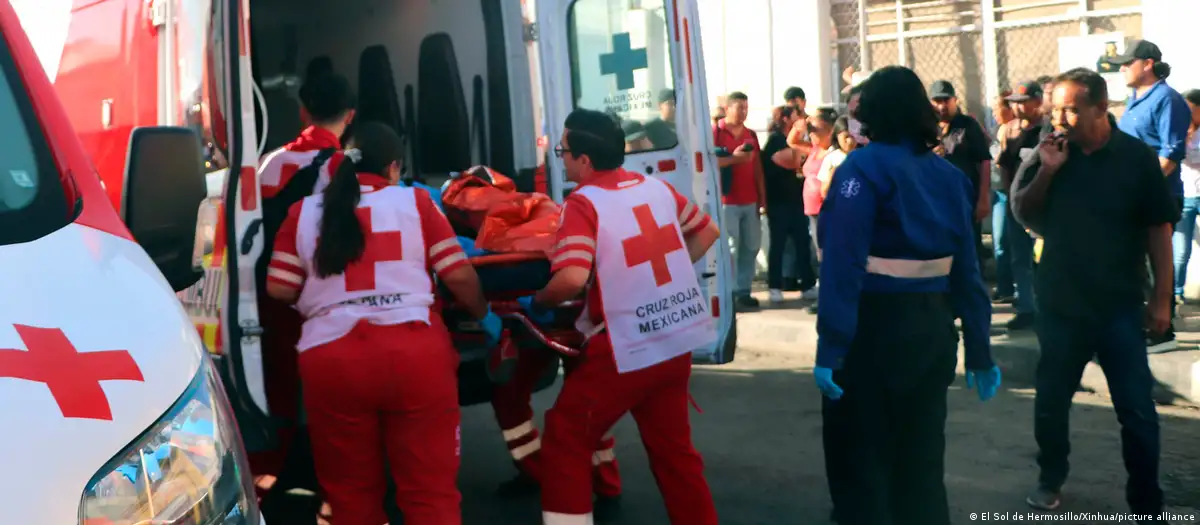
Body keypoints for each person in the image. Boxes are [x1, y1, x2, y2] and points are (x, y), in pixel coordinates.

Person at [265, 122, 504, 525]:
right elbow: (458, 277)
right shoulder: (416, 204)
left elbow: (279, 288)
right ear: (393, 167)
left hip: (333, 361)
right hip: (415, 357)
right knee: (430, 495)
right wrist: (486, 316)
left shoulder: (304, 212)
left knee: (351, 498)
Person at [814, 65, 1000, 525]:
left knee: (860, 463)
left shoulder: (861, 168)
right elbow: (968, 273)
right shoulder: (948, 175)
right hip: (932, 333)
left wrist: (830, 347)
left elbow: (843, 266)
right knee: (920, 459)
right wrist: (979, 350)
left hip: (872, 333)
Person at [528, 108, 722, 525]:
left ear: (583, 159)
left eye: (563, 151)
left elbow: (572, 277)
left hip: (624, 347)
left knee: (565, 439)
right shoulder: (656, 187)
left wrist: (540, 299)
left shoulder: (583, 204)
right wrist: (657, 283)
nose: (561, 159)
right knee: (675, 453)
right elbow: (707, 231)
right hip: (674, 340)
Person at [1010, 68, 1175, 524]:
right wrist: (1047, 169)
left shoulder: (1136, 158)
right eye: (1055, 108)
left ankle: (1146, 500)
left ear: (1102, 109)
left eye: (1071, 109)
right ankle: (1051, 476)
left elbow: (1158, 229)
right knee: (1051, 401)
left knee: (1137, 410)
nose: (1059, 118)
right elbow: (1022, 212)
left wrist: (1162, 299)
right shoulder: (1050, 150)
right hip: (1062, 303)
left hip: (1119, 303)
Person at [1110, 39, 1192, 351]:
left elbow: (1170, 155)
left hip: (1157, 198)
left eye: (1127, 63)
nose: (1122, 68)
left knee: (1160, 261)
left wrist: (1140, 188)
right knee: (1136, 263)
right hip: (1132, 198)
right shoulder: (1134, 99)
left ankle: (1163, 330)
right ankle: (1144, 322)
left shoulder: (1167, 99)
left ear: (1147, 64)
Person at [994, 81, 1046, 331]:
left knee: (1045, 258)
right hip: (1017, 204)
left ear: (1038, 101)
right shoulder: (1011, 130)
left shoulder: (1047, 130)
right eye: (1014, 101)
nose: (1017, 106)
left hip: (1042, 206)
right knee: (1019, 258)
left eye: (1023, 101)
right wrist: (1010, 195)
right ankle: (1026, 308)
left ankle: (1047, 306)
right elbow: (1003, 164)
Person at [715, 92, 766, 310]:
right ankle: (731, 291)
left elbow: (757, 169)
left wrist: (762, 198)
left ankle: (744, 290)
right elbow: (708, 162)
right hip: (726, 201)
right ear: (727, 109)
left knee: (751, 245)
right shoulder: (714, 132)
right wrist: (734, 159)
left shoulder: (750, 135)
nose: (744, 112)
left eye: (746, 108)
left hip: (750, 200)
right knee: (731, 248)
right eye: (740, 108)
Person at [930, 80, 993, 258]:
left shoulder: (968, 125)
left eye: (946, 100)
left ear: (955, 100)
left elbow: (984, 161)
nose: (942, 105)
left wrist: (983, 199)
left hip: (965, 198)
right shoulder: (927, 127)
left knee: (969, 249)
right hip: (936, 199)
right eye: (937, 101)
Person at [762, 105, 818, 304]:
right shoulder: (775, 141)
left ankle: (808, 285)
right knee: (778, 245)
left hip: (797, 201)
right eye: (797, 116)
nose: (802, 119)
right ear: (786, 119)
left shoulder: (799, 141)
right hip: (778, 202)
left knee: (803, 242)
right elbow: (792, 160)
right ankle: (775, 286)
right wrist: (799, 147)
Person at [1175, 90, 1200, 305]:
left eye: (1189, 107)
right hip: (1187, 195)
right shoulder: (1178, 128)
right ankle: (1176, 292)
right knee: (1181, 249)